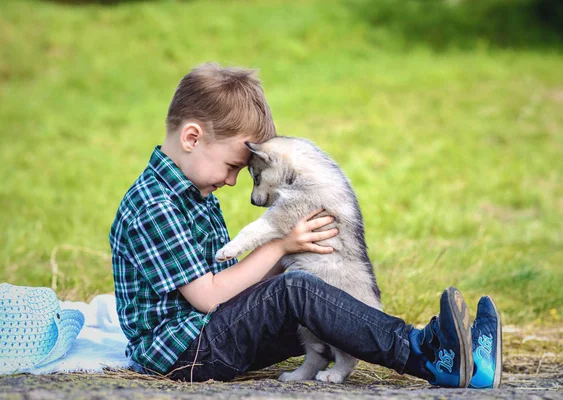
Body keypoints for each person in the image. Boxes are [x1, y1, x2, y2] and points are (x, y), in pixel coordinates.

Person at [109, 62, 502, 389]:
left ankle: (462, 353)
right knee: (297, 289)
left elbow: (231, 284)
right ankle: (430, 354)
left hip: (211, 334)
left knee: (313, 285)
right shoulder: (155, 205)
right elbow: (209, 297)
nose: (232, 181)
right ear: (192, 137)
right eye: (232, 166)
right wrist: (279, 249)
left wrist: (297, 256)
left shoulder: (194, 193)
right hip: (183, 354)